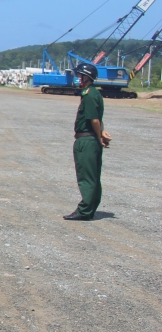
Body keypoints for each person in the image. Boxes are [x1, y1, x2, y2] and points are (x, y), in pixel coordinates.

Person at [65, 62, 111, 220]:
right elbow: (98, 119)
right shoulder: (94, 94)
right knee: (93, 176)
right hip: (91, 139)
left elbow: (94, 120)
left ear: (87, 77)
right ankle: (90, 209)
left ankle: (84, 210)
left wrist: (99, 137)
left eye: (79, 76)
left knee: (87, 177)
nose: (78, 79)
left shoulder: (90, 95)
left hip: (87, 140)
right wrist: (101, 134)